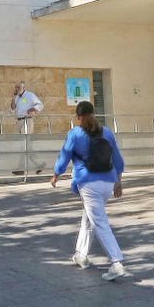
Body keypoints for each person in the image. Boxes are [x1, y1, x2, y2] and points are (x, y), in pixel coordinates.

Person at [49, 100, 128, 281]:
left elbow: (64, 157)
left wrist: (55, 175)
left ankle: (116, 262)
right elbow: (117, 159)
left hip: (88, 183)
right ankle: (81, 254)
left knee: (99, 221)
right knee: (89, 217)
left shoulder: (75, 134)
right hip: (107, 182)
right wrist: (119, 181)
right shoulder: (106, 132)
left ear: (78, 117)